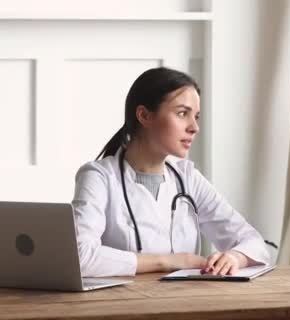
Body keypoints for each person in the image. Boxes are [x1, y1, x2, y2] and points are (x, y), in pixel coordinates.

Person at [72, 67, 270, 277]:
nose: (194, 127)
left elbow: (254, 242)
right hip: (122, 305)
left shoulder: (187, 178)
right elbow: (79, 256)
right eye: (182, 113)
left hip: (184, 302)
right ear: (144, 115)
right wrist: (170, 261)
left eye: (196, 116)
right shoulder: (99, 177)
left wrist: (234, 257)